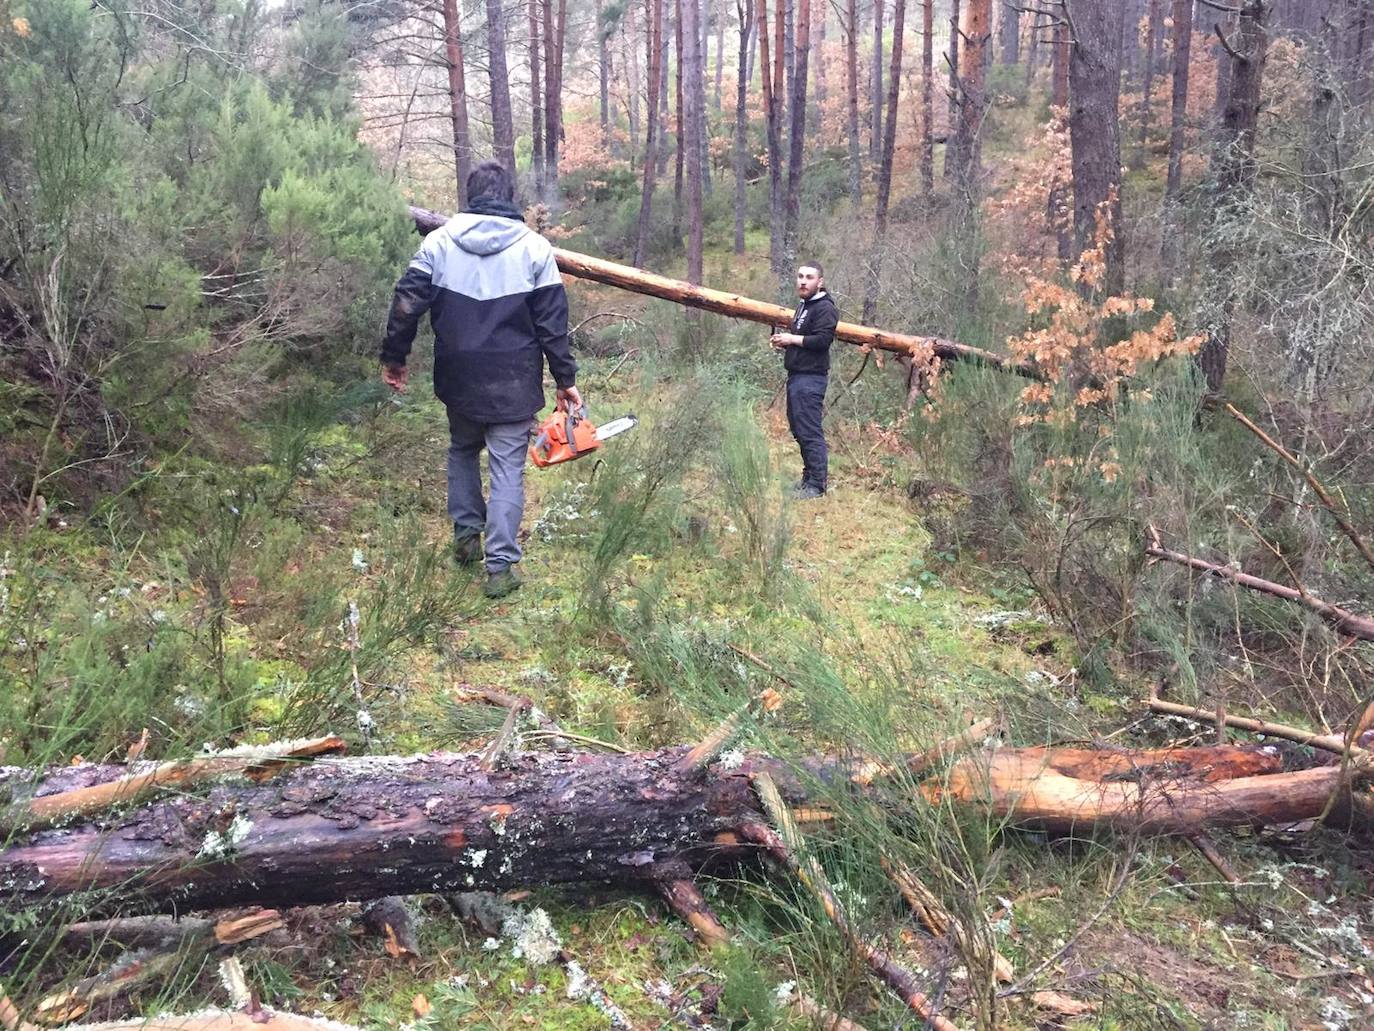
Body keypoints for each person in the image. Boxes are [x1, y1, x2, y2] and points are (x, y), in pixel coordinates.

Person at [380, 160, 581, 599]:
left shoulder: (438, 242)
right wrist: (565, 378)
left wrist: (395, 357)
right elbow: (552, 324)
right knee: (507, 465)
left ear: (471, 196)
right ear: (509, 197)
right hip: (513, 377)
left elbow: (406, 302)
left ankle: (467, 538)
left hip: (458, 375)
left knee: (462, 449)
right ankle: (500, 567)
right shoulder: (535, 248)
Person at [770, 262, 838, 499]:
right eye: (800, 276)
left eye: (809, 277)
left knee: (809, 430)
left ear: (820, 282)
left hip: (811, 379)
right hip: (797, 376)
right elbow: (802, 339)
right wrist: (783, 343)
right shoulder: (804, 305)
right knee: (799, 428)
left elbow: (822, 341)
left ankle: (817, 486)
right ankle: (808, 478)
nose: (803, 281)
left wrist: (791, 339)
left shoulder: (825, 307)